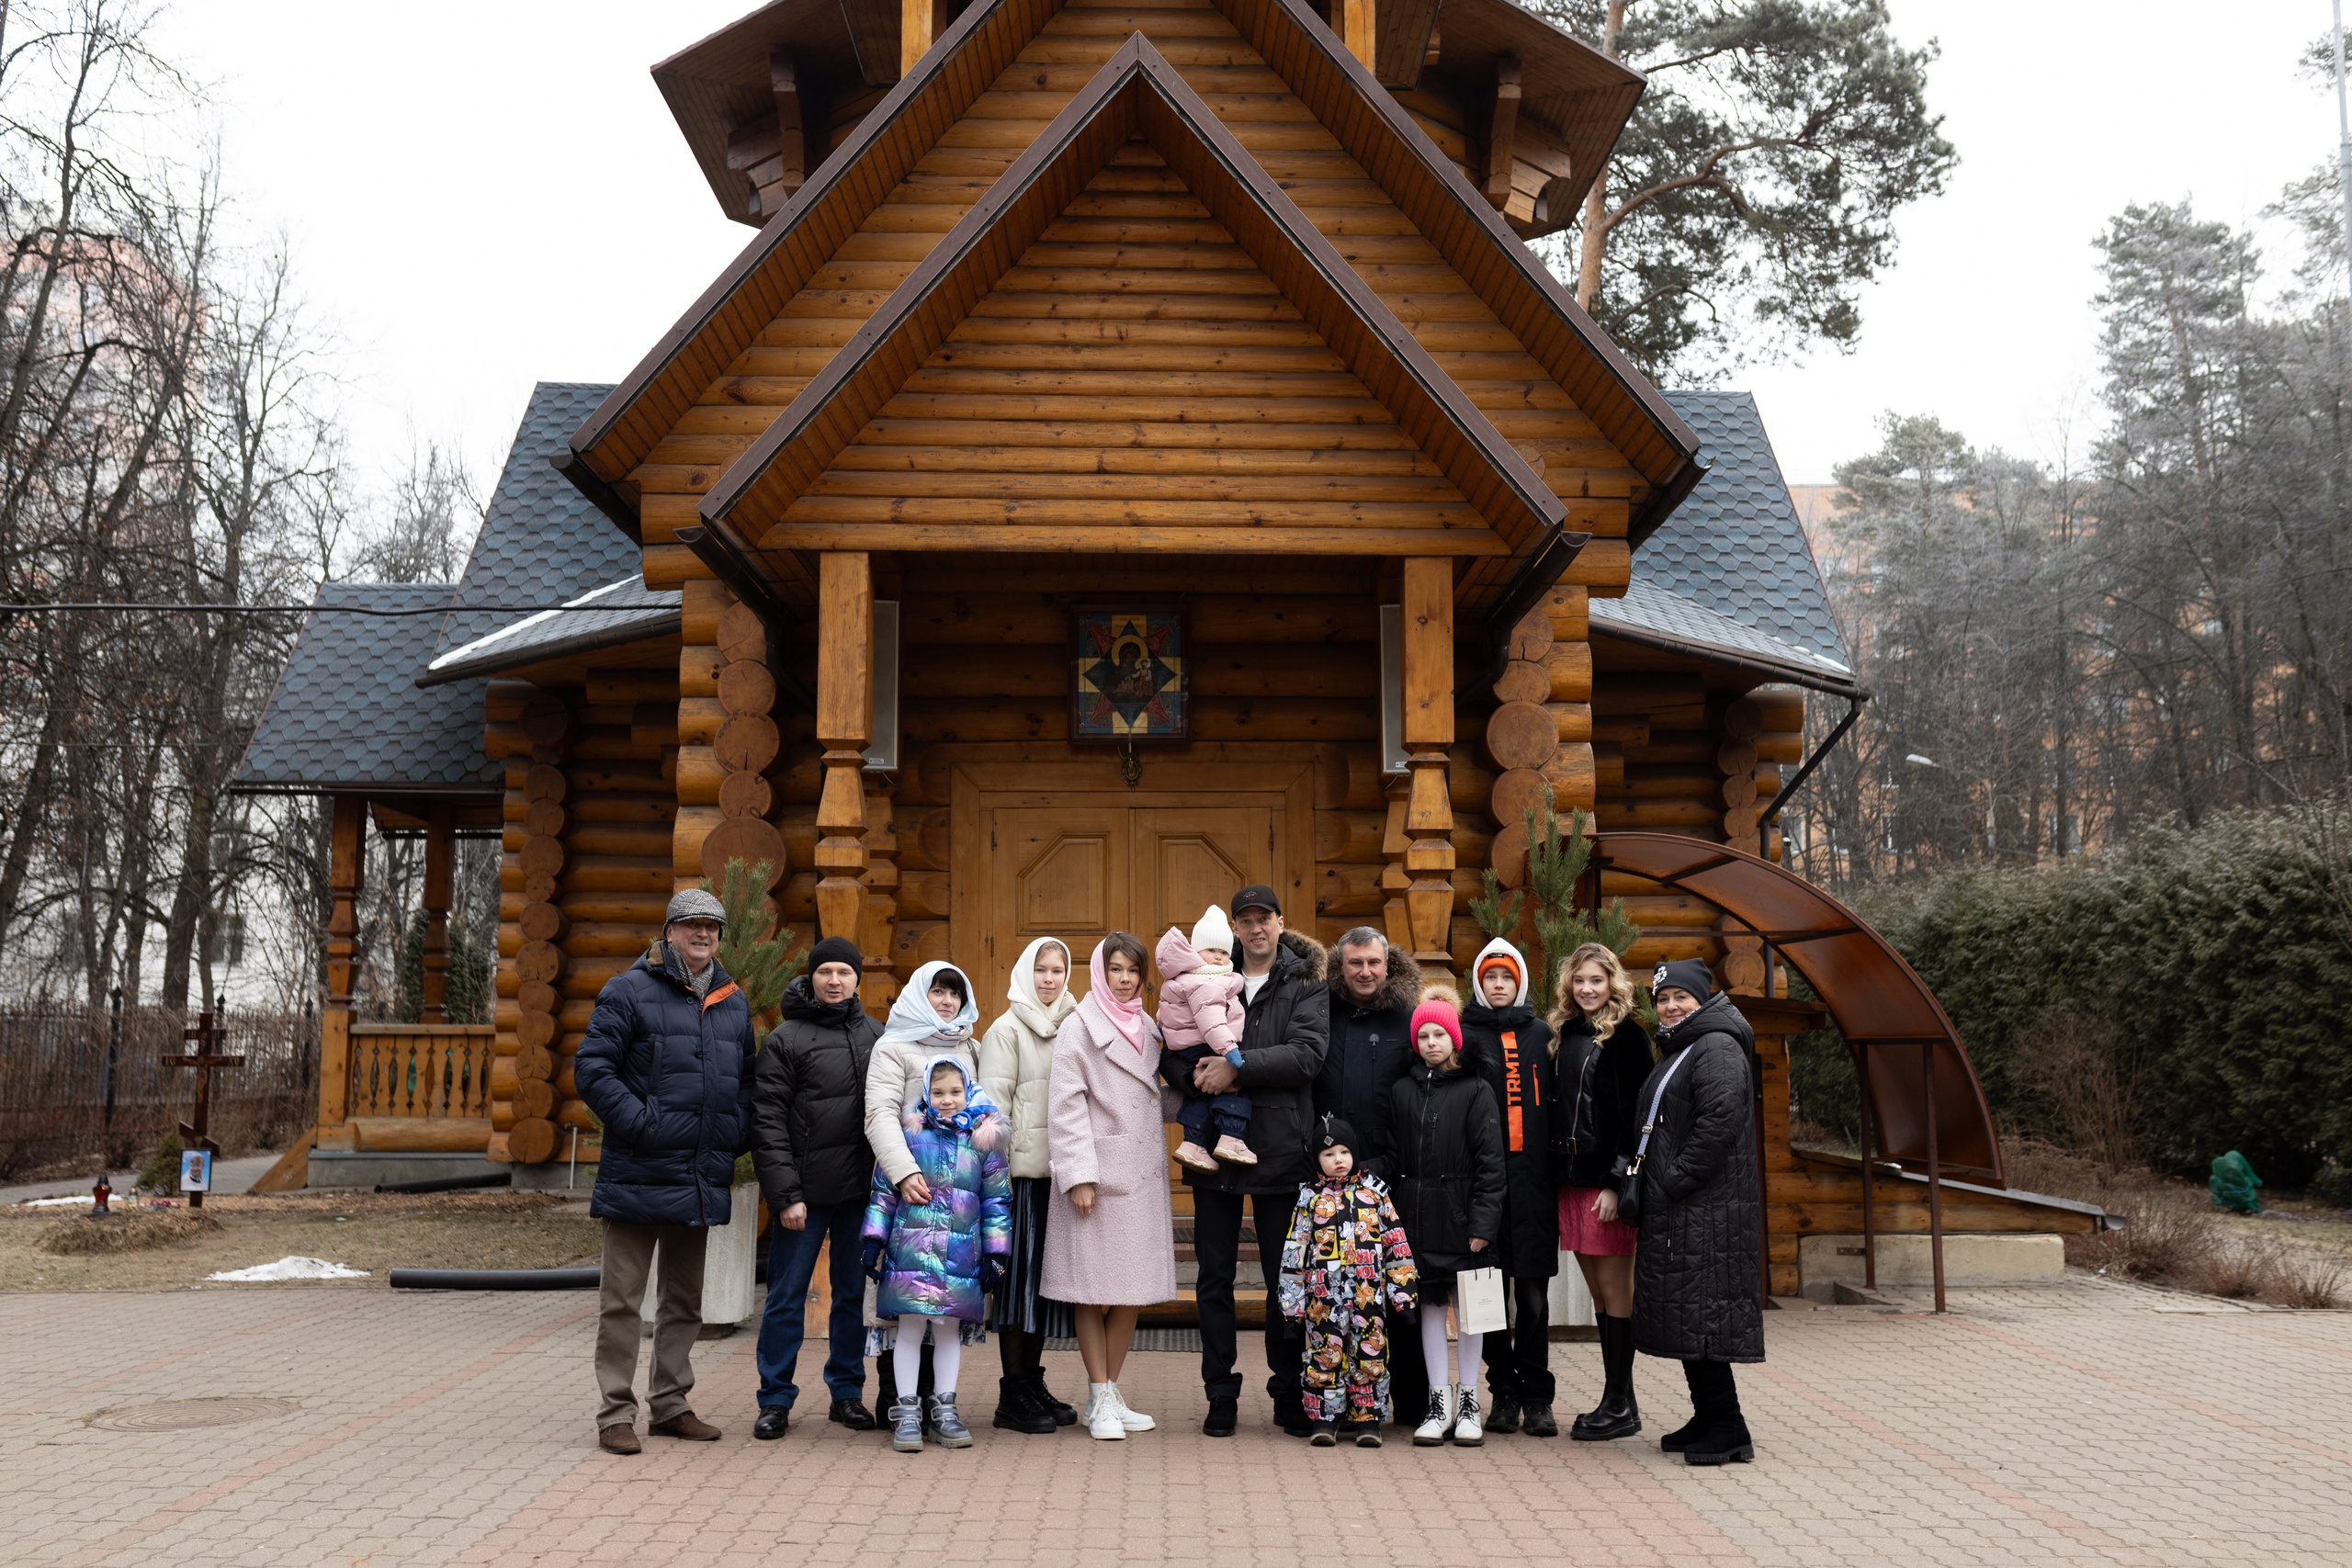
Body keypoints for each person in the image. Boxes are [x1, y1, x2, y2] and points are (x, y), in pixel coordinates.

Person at [573, 888, 756, 1456]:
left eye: (713, 927)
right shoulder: (628, 991)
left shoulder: (732, 1001)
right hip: (638, 1167)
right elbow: (592, 1067)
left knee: (684, 1302)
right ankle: (615, 1413)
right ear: (670, 931)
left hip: (698, 1171)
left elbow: (747, 1081)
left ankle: (671, 1404)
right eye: (693, 925)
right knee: (622, 1301)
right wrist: (641, 1122)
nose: (704, 934)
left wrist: (734, 1132)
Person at [1186, 886, 1329, 1438]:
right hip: (1213, 1149)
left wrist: (1235, 1067)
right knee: (1214, 1278)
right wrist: (1193, 1075)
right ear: (1235, 928)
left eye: (1263, 918)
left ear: (1279, 921)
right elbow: (1175, 1047)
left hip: (1279, 1147)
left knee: (1282, 1280)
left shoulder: (1304, 982)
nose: (1255, 929)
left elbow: (1308, 1055)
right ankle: (1220, 1392)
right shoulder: (1206, 974)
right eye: (1244, 920)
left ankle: (1287, 1391)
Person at [1042, 933, 1179, 1440]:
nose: (1125, 979)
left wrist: (1204, 1098)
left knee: (1129, 1293)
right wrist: (1079, 1176)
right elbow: (1067, 1105)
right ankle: (1098, 1395)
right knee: (1090, 1291)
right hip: (1096, 1179)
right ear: (1101, 971)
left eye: (1133, 971)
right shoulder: (1079, 1027)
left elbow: (1150, 1097)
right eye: (1117, 969)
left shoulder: (1147, 1026)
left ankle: (1111, 1392)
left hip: (1139, 1175)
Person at [748, 935, 883, 1441]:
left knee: (852, 1296)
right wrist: (785, 1195)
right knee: (787, 1296)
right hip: (803, 1197)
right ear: (811, 977)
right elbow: (768, 1122)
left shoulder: (876, 1034)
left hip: (861, 1197)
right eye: (825, 972)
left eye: (843, 973)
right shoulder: (787, 1038)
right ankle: (775, 1399)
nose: (834, 981)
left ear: (855, 979)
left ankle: (846, 1394)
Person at [1632, 959, 1763, 1466]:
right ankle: (1709, 1416)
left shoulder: (1716, 1047)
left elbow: (1719, 1121)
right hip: (1689, 1209)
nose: (1669, 1006)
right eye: (1663, 998)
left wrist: (1673, 1179)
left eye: (1680, 997)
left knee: (1703, 1316)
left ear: (1701, 999)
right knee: (1689, 1313)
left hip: (1706, 1211)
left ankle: (1729, 1427)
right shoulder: (1686, 1046)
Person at [859, 1058, 1011, 1451]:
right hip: (910, 1253)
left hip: (960, 1257)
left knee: (948, 1333)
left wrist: (997, 1254)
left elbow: (996, 1201)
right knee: (908, 1332)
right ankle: (907, 1412)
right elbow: (883, 1191)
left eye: (955, 1092)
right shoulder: (911, 1136)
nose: (947, 1100)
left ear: (968, 1092)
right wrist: (873, 1239)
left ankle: (944, 1410)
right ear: (926, 1093)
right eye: (939, 1093)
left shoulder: (983, 1141)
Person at [1310, 925, 1425, 1425]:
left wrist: (1388, 1161)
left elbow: (1423, 1090)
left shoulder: (1408, 1017)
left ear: (1388, 963)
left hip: (1391, 1174)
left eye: (1373, 963)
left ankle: (1415, 1401)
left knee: (1396, 1292)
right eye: (1354, 963)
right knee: (1333, 1297)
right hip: (1329, 1182)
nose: (1364, 972)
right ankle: (1332, 1400)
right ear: (1340, 965)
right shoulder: (1321, 1010)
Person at [863, 959, 982, 1420]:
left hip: (955, 1201)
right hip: (907, 1195)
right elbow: (880, 1114)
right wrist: (904, 1172)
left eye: (955, 992)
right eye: (938, 991)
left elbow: (977, 1115)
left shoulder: (969, 1046)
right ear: (919, 994)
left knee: (946, 1307)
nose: (948, 1000)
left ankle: (939, 1406)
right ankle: (898, 1401)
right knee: (905, 1305)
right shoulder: (893, 1047)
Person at [975, 935, 1081, 1434]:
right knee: (1017, 1287)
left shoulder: (1075, 1026)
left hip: (1060, 1177)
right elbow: (991, 1116)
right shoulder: (1005, 1030)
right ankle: (1011, 1393)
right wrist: (996, 1182)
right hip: (1018, 1181)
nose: (1049, 979)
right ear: (1025, 972)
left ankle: (1032, 1381)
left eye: (1058, 970)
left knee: (1042, 1288)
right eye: (1041, 969)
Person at [1388, 989, 1504, 1447]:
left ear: (1454, 1040)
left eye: (1439, 1034)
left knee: (1473, 1312)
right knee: (1431, 1308)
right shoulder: (1401, 1090)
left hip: (1465, 1218)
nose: (1431, 1042)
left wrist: (1482, 1224)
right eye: (1423, 1035)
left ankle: (1469, 1401)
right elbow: (1395, 1153)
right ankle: (1438, 1403)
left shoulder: (1476, 1089)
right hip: (1417, 1218)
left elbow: (1491, 1164)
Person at [1455, 938, 1561, 1437]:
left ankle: (1538, 1397)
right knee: (1487, 1296)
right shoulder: (1464, 1033)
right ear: (1479, 982)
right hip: (1485, 1185)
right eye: (1490, 978)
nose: (1498, 986)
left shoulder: (1542, 1034)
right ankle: (1503, 1393)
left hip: (1535, 1184)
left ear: (1519, 983)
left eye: (1507, 978)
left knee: (1534, 1298)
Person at [1549, 941, 1652, 1441]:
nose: (1587, 989)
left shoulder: (1629, 1037)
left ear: (1613, 983)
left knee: (1617, 1292)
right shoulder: (1564, 1033)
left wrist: (1616, 1182)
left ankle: (1618, 1403)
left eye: (1597, 980)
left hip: (1604, 1182)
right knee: (1597, 1292)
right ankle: (1621, 1402)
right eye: (1579, 980)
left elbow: (1637, 1120)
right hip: (1571, 1179)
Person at [1275, 1114, 1417, 1447]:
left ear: (1354, 1153)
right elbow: (1293, 1254)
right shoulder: (1309, 1199)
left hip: (1369, 1299)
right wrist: (1292, 1308)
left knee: (1370, 1356)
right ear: (1316, 1160)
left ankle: (1368, 1420)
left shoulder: (1375, 1195)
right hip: (1323, 1300)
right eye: (1328, 1155)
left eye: (1343, 1152)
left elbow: (1398, 1246)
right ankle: (1326, 1419)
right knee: (1325, 1356)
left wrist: (1404, 1298)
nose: (1337, 1160)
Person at [1154, 907, 1252, 1169]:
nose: (1218, 958)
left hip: (1188, 1047)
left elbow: (1166, 1013)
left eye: (1223, 952)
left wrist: (1164, 1030)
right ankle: (1231, 1138)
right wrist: (1231, 1053)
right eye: (1212, 950)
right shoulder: (1207, 981)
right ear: (1196, 952)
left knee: (1199, 1096)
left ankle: (1193, 1144)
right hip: (1208, 1044)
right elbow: (1210, 1021)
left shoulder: (1183, 978)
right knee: (1233, 1091)